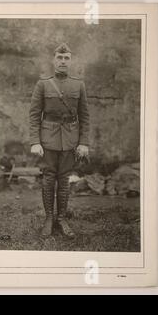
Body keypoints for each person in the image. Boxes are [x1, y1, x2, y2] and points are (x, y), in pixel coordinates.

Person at [29, 43, 90, 237]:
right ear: (53, 60)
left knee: (64, 180)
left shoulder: (78, 84)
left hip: (70, 139)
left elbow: (85, 116)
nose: (63, 61)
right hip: (48, 138)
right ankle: (49, 219)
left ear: (70, 61)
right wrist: (35, 141)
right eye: (59, 58)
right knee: (48, 178)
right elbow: (34, 114)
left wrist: (84, 142)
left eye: (66, 58)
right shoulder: (43, 84)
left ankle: (62, 218)